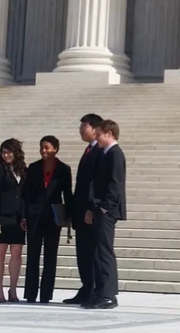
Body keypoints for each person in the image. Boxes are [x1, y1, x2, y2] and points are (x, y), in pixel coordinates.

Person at [21, 135, 73, 303]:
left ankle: (45, 295)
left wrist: (69, 217)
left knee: (50, 256)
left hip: (53, 218)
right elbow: (26, 194)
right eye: (42, 147)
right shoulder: (33, 167)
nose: (44, 151)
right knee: (33, 255)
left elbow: (67, 195)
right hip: (34, 216)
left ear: (55, 149)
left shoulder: (64, 169)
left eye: (47, 148)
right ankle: (30, 293)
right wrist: (23, 215)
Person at [82, 120, 127, 310]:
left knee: (105, 251)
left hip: (107, 210)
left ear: (109, 133)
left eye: (99, 134)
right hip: (99, 208)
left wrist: (104, 207)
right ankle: (100, 291)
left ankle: (109, 294)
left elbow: (115, 184)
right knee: (98, 251)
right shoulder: (104, 154)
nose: (96, 137)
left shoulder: (115, 154)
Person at [63, 113, 104, 305]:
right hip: (80, 212)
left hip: (91, 213)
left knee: (92, 252)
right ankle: (86, 287)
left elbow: (94, 185)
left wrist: (90, 208)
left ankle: (96, 289)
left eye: (84, 126)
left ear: (95, 129)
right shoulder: (88, 150)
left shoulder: (100, 152)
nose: (81, 130)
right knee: (82, 253)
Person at [0, 138, 27, 303]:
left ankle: (13, 289)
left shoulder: (23, 170)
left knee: (17, 252)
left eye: (9, 151)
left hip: (18, 217)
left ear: (16, 152)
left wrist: (25, 216)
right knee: (0, 252)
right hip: (2, 216)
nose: (6, 155)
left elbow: (25, 195)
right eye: (3, 152)